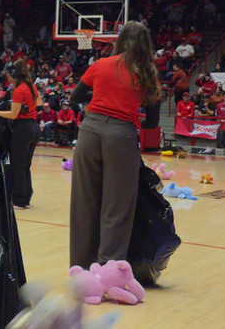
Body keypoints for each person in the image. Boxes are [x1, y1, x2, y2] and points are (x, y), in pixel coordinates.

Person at [69, 21, 162, 268]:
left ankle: (80, 268)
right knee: (116, 206)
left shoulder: (99, 64)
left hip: (89, 133)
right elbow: (152, 122)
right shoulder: (146, 71)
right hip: (121, 136)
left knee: (84, 202)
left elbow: (75, 97)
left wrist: (100, 95)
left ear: (120, 41)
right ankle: (108, 269)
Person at [0, 59, 42, 209]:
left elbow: (13, 114)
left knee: (17, 165)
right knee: (25, 165)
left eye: (9, 75)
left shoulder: (19, 90)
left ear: (14, 74)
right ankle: (25, 198)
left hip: (22, 129)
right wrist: (27, 107)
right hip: (33, 128)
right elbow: (40, 104)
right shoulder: (31, 87)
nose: (8, 78)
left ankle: (19, 201)